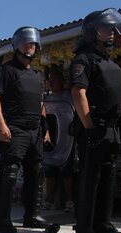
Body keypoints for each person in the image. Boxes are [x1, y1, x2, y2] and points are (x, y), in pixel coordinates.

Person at [70, 8, 121, 233]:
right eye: (106, 28)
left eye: (113, 28)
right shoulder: (83, 59)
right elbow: (78, 92)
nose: (112, 33)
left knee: (108, 177)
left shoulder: (108, 61)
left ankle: (103, 223)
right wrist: (89, 126)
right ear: (92, 32)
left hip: (113, 128)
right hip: (95, 127)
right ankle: (85, 230)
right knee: (90, 179)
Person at [0, 26, 50, 233]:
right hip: (14, 128)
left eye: (33, 43)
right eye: (26, 43)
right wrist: (1, 125)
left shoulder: (37, 74)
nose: (30, 47)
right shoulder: (6, 70)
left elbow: (41, 103)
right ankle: (3, 218)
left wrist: (46, 128)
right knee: (10, 174)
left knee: (36, 173)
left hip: (36, 130)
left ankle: (32, 216)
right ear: (16, 45)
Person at [43, 66, 76, 213]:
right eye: (50, 81)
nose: (52, 83)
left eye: (55, 80)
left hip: (67, 141)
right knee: (49, 172)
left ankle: (70, 201)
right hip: (51, 141)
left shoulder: (69, 96)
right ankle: (49, 200)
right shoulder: (46, 98)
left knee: (67, 173)